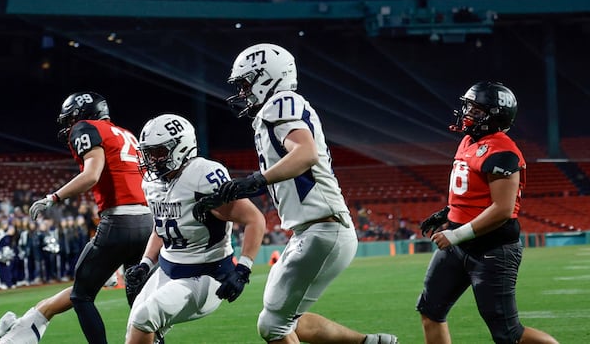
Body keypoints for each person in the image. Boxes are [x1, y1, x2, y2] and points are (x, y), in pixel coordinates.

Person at [193, 43, 397, 344]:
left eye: (247, 83)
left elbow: (305, 153)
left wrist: (254, 181)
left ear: (268, 77)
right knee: (287, 321)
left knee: (272, 324)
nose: (243, 92)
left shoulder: (281, 101)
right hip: (315, 229)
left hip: (322, 228)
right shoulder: (276, 108)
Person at [416, 82, 559, 344]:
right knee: (430, 311)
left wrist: (456, 234)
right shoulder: (469, 141)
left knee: (509, 334)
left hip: (493, 248)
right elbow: (472, 193)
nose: (467, 113)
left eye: (476, 110)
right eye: (468, 107)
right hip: (460, 244)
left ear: (496, 115)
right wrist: (448, 213)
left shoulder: (503, 151)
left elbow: (503, 210)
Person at [123, 113, 266, 344]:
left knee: (144, 317)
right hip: (167, 270)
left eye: (158, 152)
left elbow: (254, 219)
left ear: (181, 147)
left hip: (205, 275)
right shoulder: (151, 182)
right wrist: (145, 264)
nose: (151, 159)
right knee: (135, 329)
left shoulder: (202, 174)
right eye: (148, 152)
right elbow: (161, 228)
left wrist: (244, 269)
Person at [27, 91, 152, 344]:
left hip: (120, 221)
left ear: (81, 114)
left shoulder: (86, 128)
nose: (69, 125)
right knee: (139, 299)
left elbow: (92, 174)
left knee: (81, 295)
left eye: (70, 118)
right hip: (148, 222)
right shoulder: (126, 133)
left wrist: (53, 197)